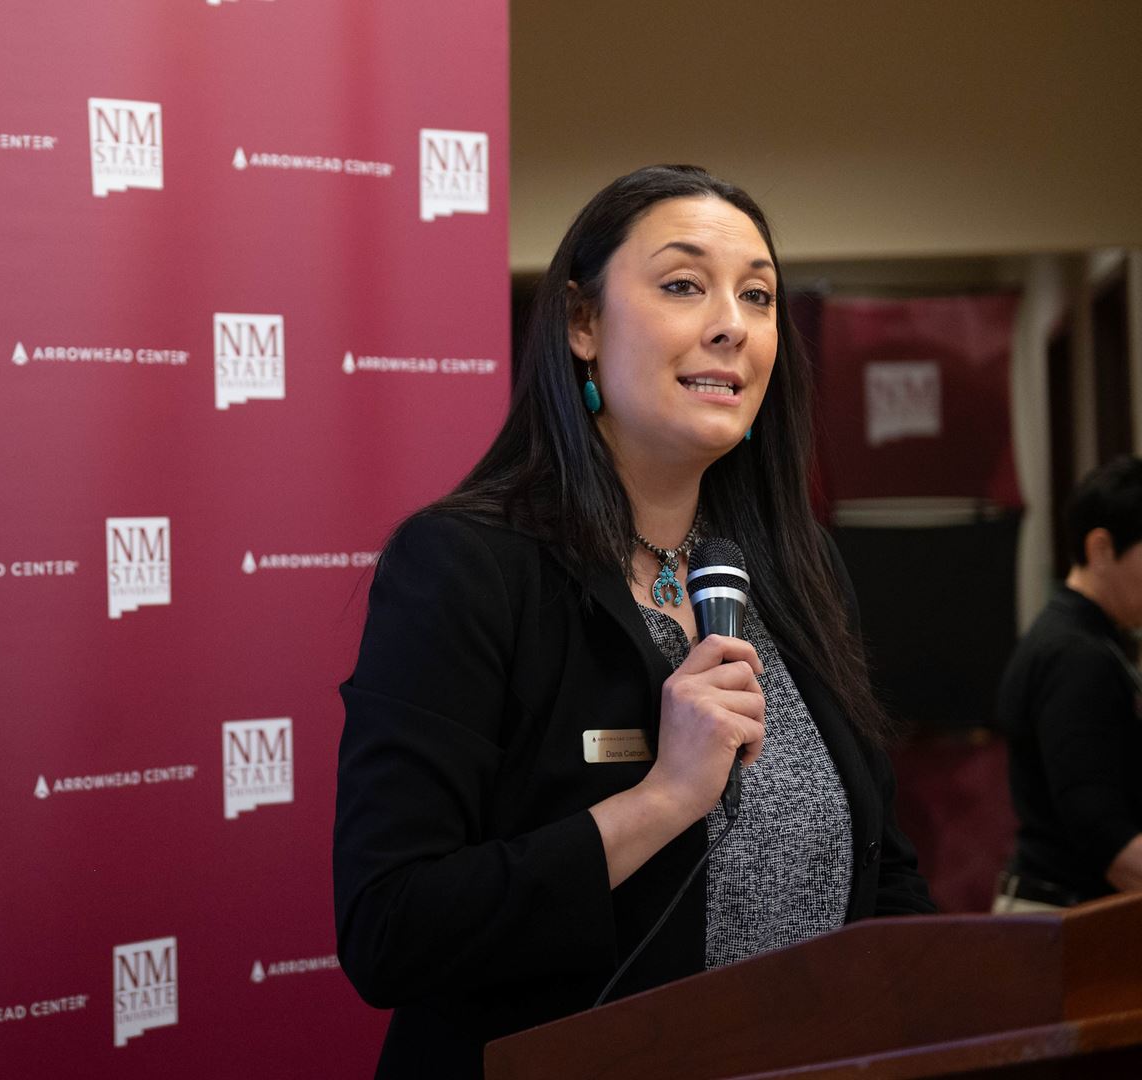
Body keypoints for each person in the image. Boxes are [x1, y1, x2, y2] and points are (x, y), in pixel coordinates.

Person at [332, 164, 935, 1078]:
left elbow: (880, 869)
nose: (733, 323)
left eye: (760, 295)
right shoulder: (466, 568)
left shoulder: (802, 572)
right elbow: (394, 928)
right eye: (684, 284)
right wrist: (663, 800)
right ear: (581, 324)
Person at [996, 456, 1142, 912]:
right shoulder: (1075, 654)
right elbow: (1100, 828)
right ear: (1101, 548)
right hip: (1061, 923)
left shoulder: (1082, 638)